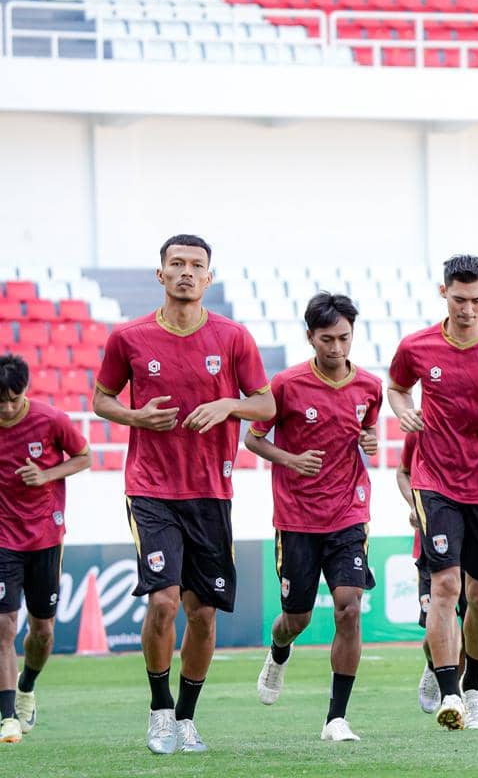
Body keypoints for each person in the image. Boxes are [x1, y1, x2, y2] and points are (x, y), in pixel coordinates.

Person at [92, 235, 274, 755]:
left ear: (209, 278)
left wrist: (227, 407)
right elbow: (101, 399)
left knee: (203, 613)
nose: (187, 272)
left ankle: (188, 718)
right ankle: (159, 708)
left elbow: (264, 405)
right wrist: (134, 416)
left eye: (197, 265)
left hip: (211, 492)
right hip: (151, 489)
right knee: (164, 602)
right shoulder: (129, 337)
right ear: (161, 274)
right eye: (177, 264)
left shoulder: (233, 337)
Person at [387, 254, 478, 730]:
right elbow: (395, 386)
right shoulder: (417, 346)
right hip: (436, 483)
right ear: (443, 293)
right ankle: (452, 691)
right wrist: (404, 410)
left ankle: (473, 683)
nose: (467, 308)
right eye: (459, 299)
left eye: (476, 299)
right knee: (445, 588)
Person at [245, 292, 382, 742]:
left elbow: (367, 427)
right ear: (310, 337)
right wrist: (289, 458)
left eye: (344, 338)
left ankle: (335, 718)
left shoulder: (368, 386)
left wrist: (370, 443)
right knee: (296, 620)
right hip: (297, 517)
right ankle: (279, 650)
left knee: (349, 608)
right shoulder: (285, 385)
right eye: (327, 339)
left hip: (349, 512)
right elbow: (253, 439)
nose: (338, 348)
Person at [0, 354, 91, 744]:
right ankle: (6, 717)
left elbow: (84, 456)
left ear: (27, 391)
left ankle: (26, 685)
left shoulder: (51, 420)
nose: (6, 407)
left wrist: (46, 475)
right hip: (3, 539)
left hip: (44, 538)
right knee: (4, 626)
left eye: (13, 399)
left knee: (42, 631)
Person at [397, 429, 469, 715]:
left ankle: (457, 692)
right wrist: (415, 504)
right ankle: (434, 664)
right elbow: (403, 472)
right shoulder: (421, 427)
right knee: (436, 625)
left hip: (472, 545)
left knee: (466, 627)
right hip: (432, 545)